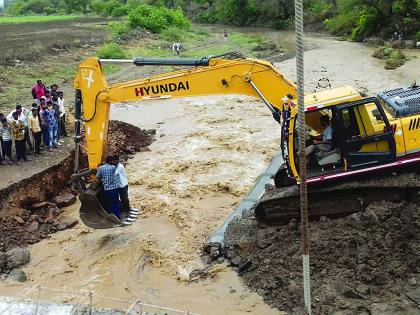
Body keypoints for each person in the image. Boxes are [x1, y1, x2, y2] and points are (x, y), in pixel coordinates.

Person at [112, 155, 139, 223]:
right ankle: (125, 210)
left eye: (116, 161)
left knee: (125, 199)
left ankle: (127, 211)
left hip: (123, 185)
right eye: (114, 161)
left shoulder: (120, 166)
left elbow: (114, 174)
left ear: (118, 161)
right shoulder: (115, 166)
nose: (115, 162)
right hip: (120, 185)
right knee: (122, 198)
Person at [96, 155, 122, 221]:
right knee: (116, 202)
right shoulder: (113, 167)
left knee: (110, 203)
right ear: (110, 161)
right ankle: (118, 217)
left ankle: (112, 218)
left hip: (107, 189)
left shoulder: (101, 168)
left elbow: (98, 177)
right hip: (115, 188)